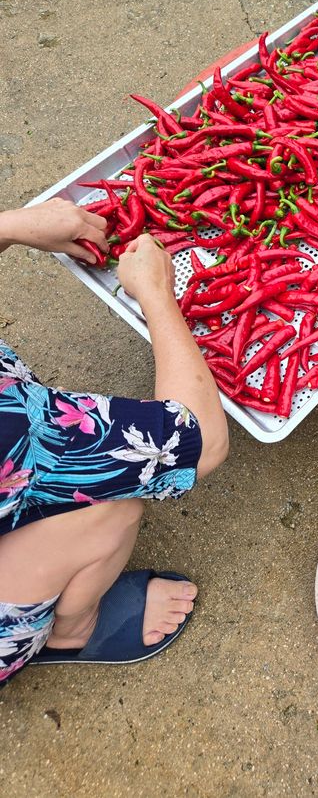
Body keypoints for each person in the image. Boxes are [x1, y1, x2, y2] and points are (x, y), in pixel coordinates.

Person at [0, 198, 229, 686]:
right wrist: (156, 294)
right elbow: (200, 440)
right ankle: (70, 631)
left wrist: (12, 227)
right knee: (115, 507)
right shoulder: (11, 429)